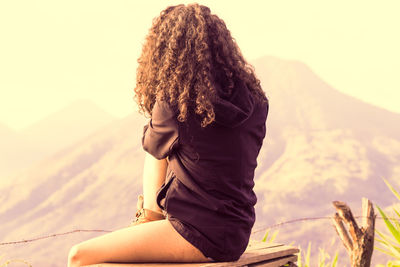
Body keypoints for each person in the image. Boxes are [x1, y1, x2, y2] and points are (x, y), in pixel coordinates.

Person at [67, 3, 268, 267]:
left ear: (166, 52)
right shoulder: (256, 103)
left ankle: (149, 217)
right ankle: (150, 218)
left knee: (79, 256)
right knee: (164, 142)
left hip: (195, 233)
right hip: (237, 233)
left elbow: (153, 149)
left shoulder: (174, 105)